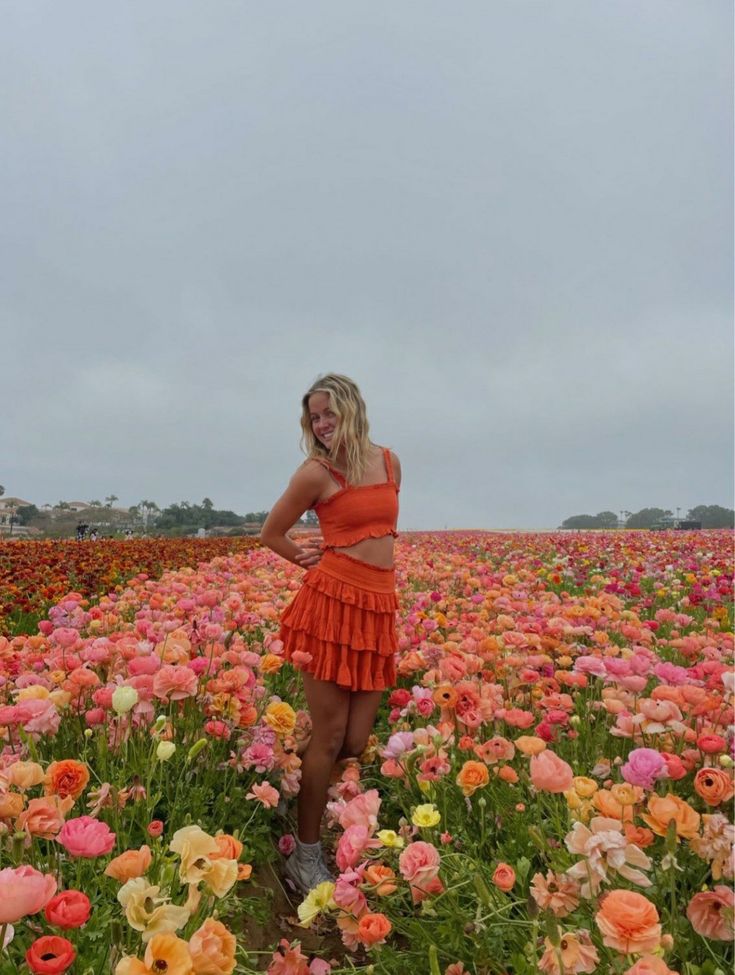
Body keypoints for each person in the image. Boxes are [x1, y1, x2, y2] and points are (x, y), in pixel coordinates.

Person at [260, 373, 401, 895]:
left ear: (351, 409)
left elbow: (380, 529)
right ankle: (306, 855)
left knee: (357, 740)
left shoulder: (389, 462)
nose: (320, 426)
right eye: (313, 418)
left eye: (327, 415)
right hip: (330, 607)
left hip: (377, 608)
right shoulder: (314, 473)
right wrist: (306, 558)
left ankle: (292, 783)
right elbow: (270, 532)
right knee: (330, 736)